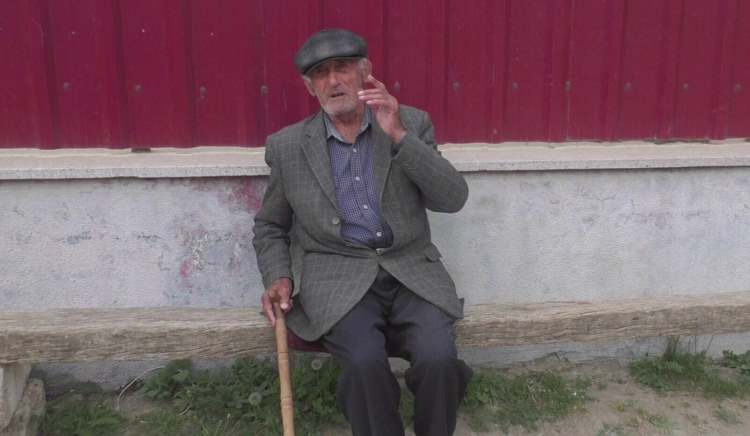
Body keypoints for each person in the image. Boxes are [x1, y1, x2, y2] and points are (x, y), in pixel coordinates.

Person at [253, 28, 472, 436]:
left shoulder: (412, 123)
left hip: (411, 271)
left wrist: (399, 135)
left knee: (439, 358)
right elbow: (270, 225)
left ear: (365, 71)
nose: (334, 80)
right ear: (310, 87)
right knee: (364, 363)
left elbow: (452, 198)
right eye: (321, 74)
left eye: (343, 68)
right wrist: (278, 275)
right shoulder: (287, 146)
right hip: (336, 278)